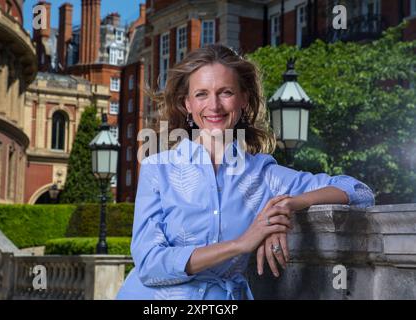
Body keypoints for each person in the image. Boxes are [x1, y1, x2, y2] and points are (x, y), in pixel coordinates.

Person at [116, 44, 374, 300]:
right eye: (202, 94)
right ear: (187, 105)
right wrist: (241, 244)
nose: (214, 105)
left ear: (243, 99)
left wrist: (287, 205)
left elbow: (359, 191)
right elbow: (150, 265)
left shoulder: (264, 174)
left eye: (225, 92)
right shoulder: (157, 169)